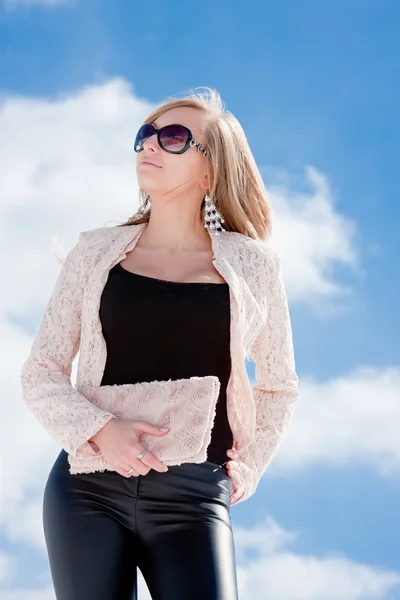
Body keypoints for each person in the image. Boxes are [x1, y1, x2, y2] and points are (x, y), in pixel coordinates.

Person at [20, 87, 300, 600]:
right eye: (145, 135)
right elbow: (41, 371)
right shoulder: (94, 252)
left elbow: (279, 386)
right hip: (86, 490)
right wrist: (101, 430)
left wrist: (251, 464)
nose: (150, 145)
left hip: (194, 497)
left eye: (173, 137)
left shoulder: (254, 266)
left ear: (211, 171)